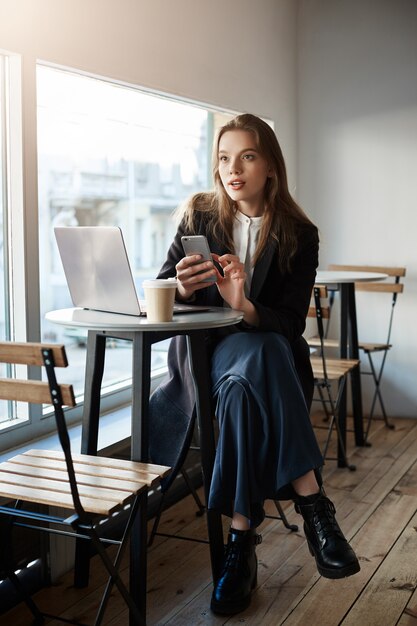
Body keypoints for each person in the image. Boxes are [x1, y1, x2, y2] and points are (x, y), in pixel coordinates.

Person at [150, 113, 360, 616]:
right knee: (258, 355)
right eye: (224, 157)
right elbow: (161, 290)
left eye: (246, 156)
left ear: (270, 165)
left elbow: (288, 323)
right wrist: (182, 285)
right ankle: (314, 505)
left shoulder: (298, 233)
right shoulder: (199, 215)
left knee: (252, 375)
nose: (232, 168)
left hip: (260, 366)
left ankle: (240, 542)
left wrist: (243, 305)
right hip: (205, 357)